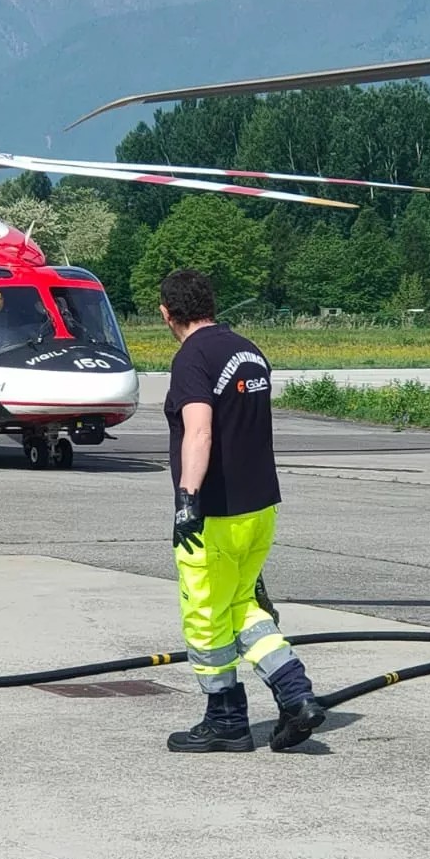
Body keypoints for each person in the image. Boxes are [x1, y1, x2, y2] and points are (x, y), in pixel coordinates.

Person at [159, 268, 325, 753]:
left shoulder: (192, 358)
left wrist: (188, 499)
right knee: (243, 608)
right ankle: (297, 697)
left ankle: (225, 718)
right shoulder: (249, 351)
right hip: (260, 508)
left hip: (216, 512)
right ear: (212, 304)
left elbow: (200, 430)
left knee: (205, 615)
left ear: (168, 313)